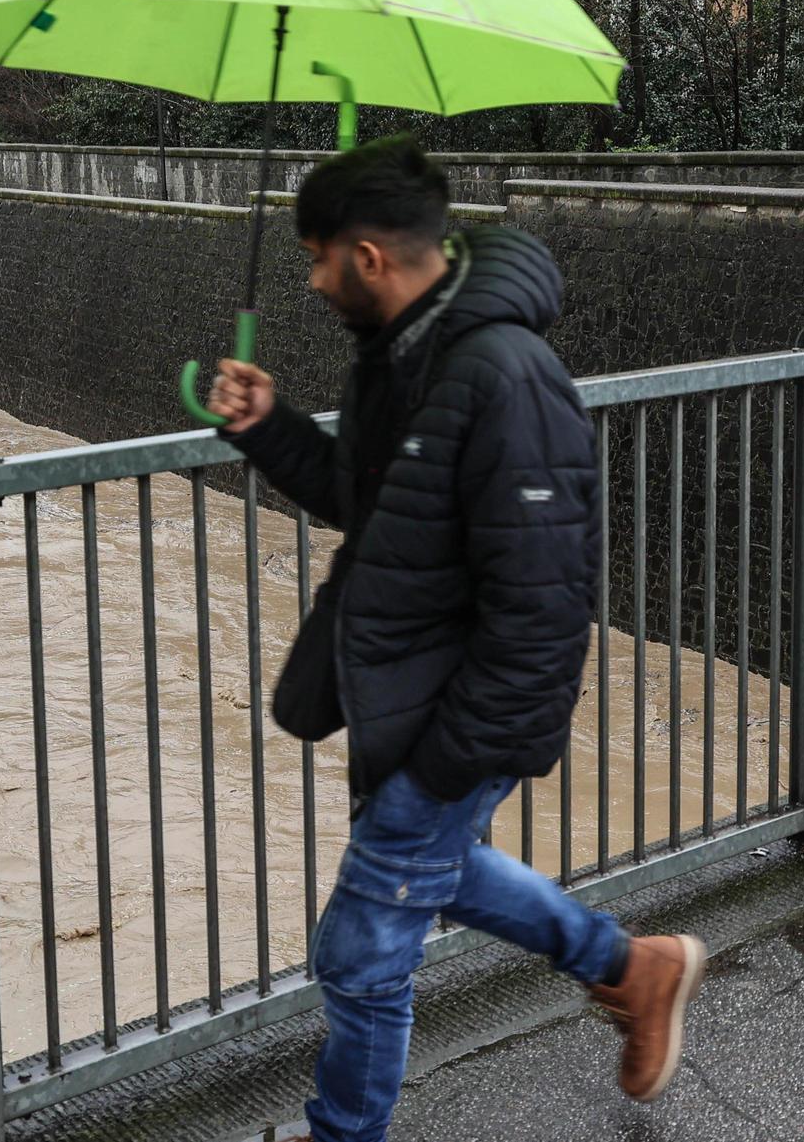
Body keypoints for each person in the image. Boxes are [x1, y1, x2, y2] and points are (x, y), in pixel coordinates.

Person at [207, 136, 706, 1140]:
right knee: (437, 873)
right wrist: (267, 426)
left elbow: (544, 601)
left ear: (369, 258)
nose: (309, 280)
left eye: (317, 258)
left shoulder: (506, 376)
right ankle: (633, 967)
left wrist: (449, 758)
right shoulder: (407, 356)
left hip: (452, 716)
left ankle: (343, 1132)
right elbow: (371, 504)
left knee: (361, 945)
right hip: (411, 695)